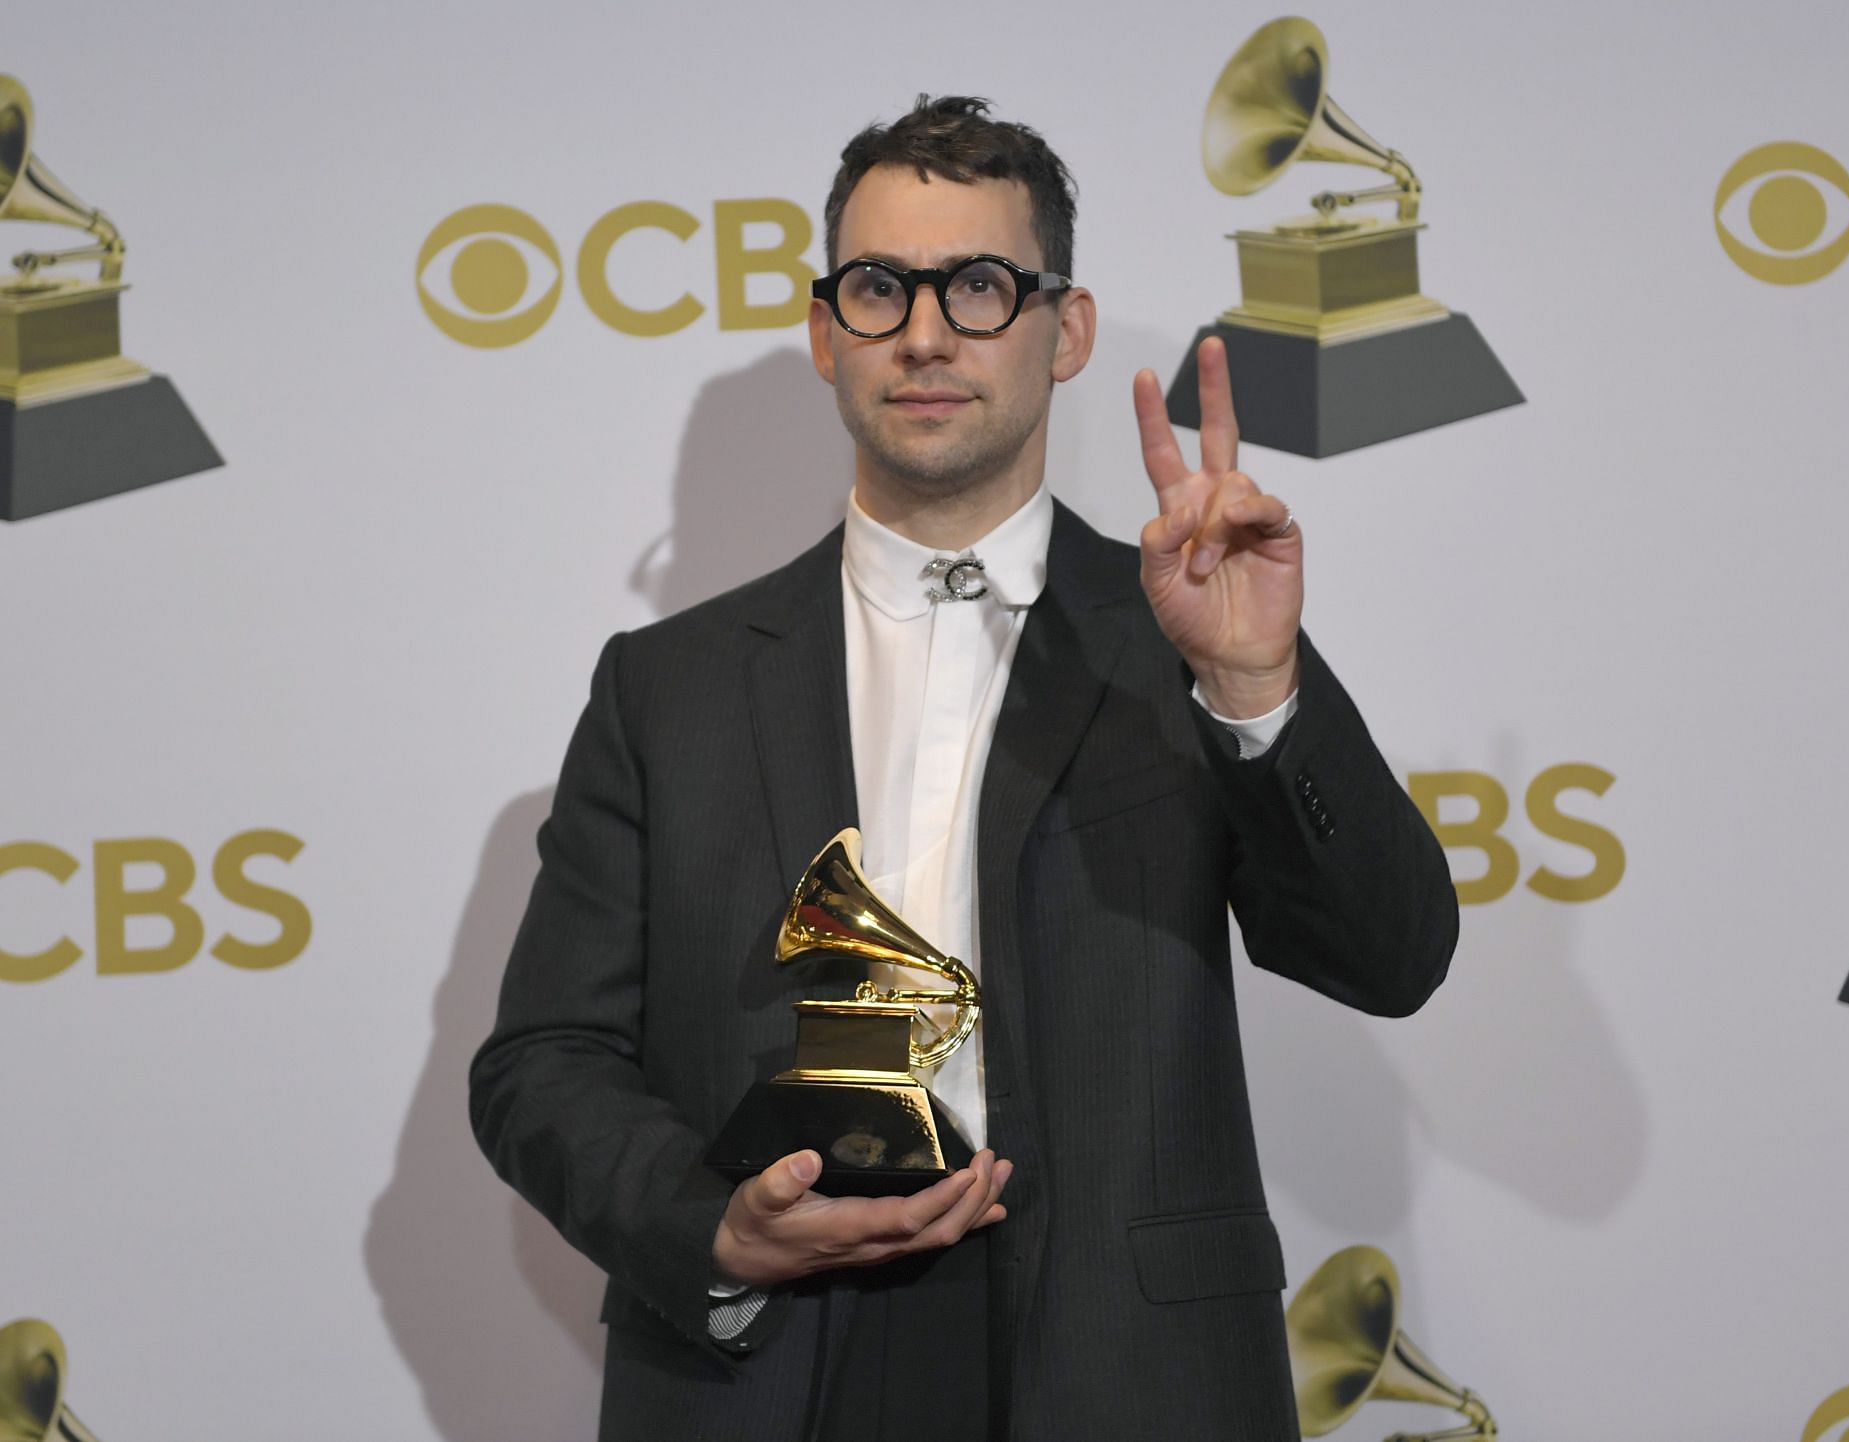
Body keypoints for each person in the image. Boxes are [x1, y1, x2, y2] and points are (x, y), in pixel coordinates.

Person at [469, 95, 1458, 1442]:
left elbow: (1392, 954)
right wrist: (716, 1223)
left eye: (980, 285)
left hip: (1125, 1368)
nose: (926, 331)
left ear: (1068, 329)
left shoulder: (1190, 630)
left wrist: (1253, 687)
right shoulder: (667, 688)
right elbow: (541, 1060)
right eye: (880, 286)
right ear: (826, 331)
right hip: (765, 1368)